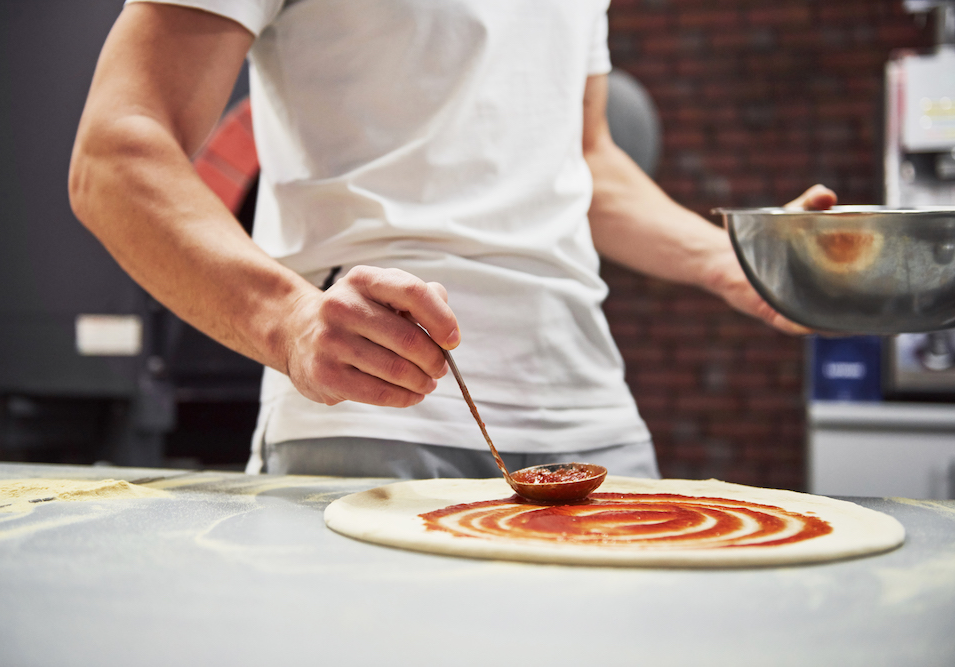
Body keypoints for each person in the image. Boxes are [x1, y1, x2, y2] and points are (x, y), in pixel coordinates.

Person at [69, 0, 836, 479]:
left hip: (589, 419)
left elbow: (583, 155)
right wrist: (290, 320)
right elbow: (114, 153)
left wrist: (735, 262)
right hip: (370, 423)